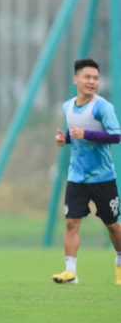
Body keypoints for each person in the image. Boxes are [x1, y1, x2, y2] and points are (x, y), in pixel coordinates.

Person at [52, 58, 121, 285]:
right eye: (87, 77)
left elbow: (115, 136)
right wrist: (65, 139)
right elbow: (74, 133)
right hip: (76, 177)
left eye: (95, 78)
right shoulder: (67, 106)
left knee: (112, 225)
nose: (92, 82)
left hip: (103, 177)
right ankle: (70, 272)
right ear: (76, 79)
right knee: (72, 223)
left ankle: (120, 261)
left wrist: (85, 134)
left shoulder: (103, 107)